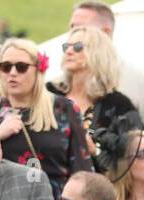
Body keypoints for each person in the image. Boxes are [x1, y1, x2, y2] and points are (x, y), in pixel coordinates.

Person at [67, 2, 144, 177]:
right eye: (71, 27)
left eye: (82, 28)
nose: (73, 34)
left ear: (106, 33)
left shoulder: (138, 80)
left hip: (122, 188)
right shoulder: (61, 82)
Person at [0, 38, 90, 200]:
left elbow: (82, 171)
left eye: (21, 67)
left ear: (38, 70)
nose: (12, 73)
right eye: (6, 67)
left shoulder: (64, 109)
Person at [56, 26, 138, 160]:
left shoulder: (119, 105)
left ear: (98, 53)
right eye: (66, 47)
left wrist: (96, 153)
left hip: (99, 179)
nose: (69, 52)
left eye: (77, 47)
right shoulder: (50, 96)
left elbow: (132, 156)